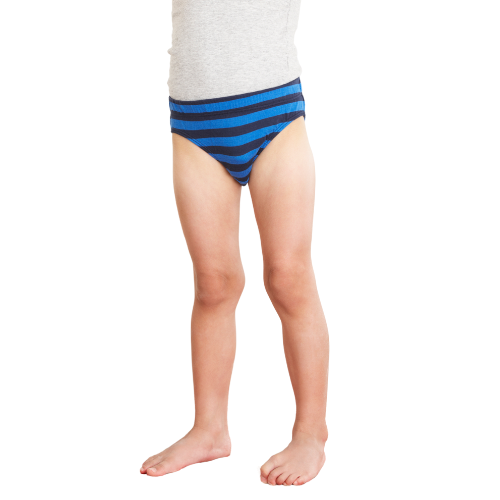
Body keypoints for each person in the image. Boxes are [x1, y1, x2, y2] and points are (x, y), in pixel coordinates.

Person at [140, 0, 329, 486]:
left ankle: (311, 433)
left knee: (288, 276)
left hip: (273, 111)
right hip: (194, 120)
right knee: (213, 283)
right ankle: (209, 430)